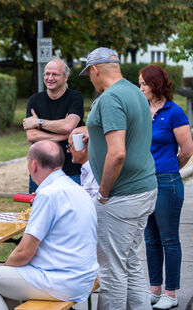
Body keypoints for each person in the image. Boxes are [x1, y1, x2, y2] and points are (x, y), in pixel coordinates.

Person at [0, 141, 97, 310]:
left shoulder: (47, 195)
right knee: (2, 280)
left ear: (34, 164)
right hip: (84, 276)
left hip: (60, 281)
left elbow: (24, 252)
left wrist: (5, 270)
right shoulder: (77, 189)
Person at [80, 47, 158, 309]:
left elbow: (117, 153)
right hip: (144, 189)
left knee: (111, 271)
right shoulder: (135, 92)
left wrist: (103, 192)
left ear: (95, 69)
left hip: (121, 196)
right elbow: (129, 134)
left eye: (89, 74)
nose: (91, 79)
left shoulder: (110, 98)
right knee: (132, 263)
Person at [139, 64, 193, 309]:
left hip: (167, 182)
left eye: (143, 84)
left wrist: (170, 169)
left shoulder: (174, 112)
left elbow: (188, 150)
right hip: (144, 183)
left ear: (156, 85)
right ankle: (155, 289)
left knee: (169, 239)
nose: (140, 88)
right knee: (150, 240)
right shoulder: (141, 110)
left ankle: (170, 294)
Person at [23, 57, 84, 193]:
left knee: (71, 211)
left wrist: (39, 122)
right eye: (47, 74)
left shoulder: (75, 98)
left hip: (71, 169)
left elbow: (68, 126)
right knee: (38, 211)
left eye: (55, 74)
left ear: (65, 77)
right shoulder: (35, 100)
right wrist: (64, 135)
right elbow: (31, 135)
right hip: (41, 171)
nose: (50, 78)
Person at [67, 127, 99, 198]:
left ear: (83, 147)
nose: (68, 151)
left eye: (70, 146)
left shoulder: (97, 173)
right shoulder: (88, 169)